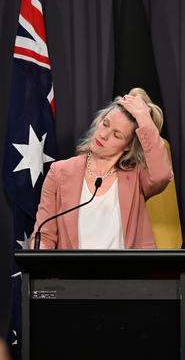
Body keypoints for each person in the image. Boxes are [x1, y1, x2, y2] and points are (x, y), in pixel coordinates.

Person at [30, 88, 173, 249]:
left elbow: (162, 175)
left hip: (127, 274)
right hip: (73, 274)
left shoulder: (136, 176)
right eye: (105, 124)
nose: (104, 135)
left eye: (116, 135)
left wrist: (144, 118)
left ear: (128, 146)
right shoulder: (59, 172)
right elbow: (44, 236)